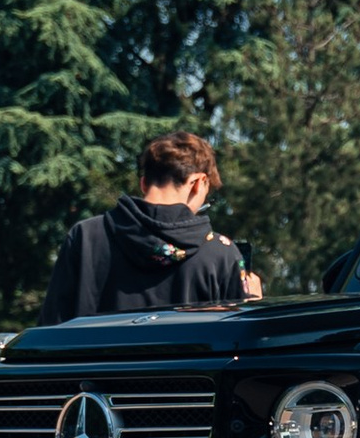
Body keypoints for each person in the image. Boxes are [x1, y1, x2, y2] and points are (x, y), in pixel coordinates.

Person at [40, 131, 263, 320]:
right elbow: (238, 346)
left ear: (144, 183)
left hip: (95, 361)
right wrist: (252, 305)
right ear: (198, 182)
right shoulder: (220, 254)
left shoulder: (86, 237)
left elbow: (50, 331)